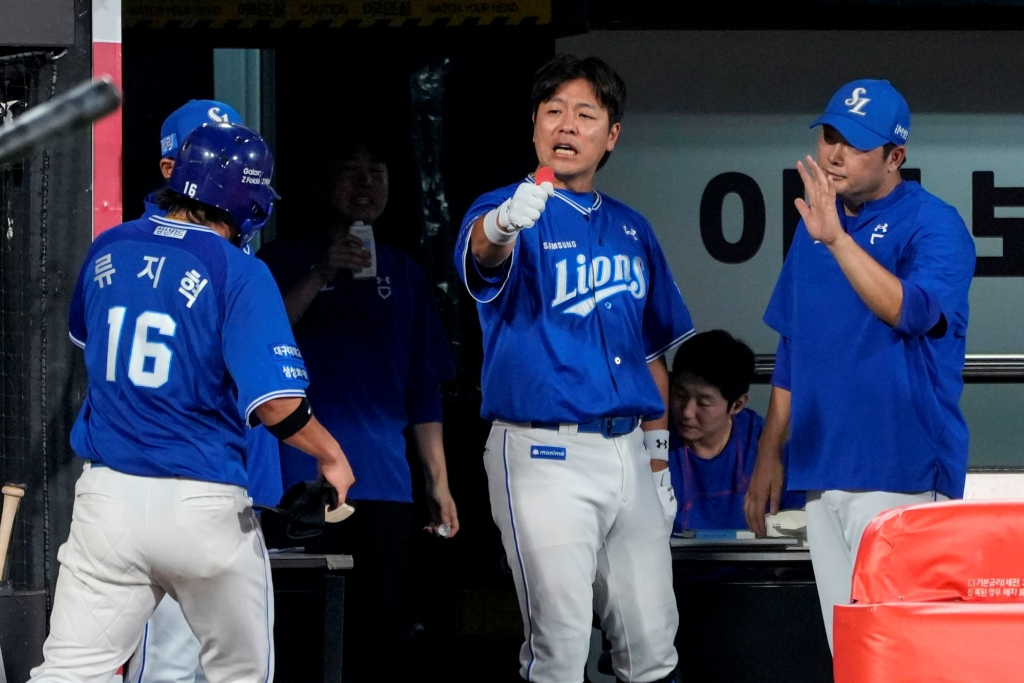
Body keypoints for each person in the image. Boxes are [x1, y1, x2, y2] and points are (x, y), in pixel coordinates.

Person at [30, 122, 355, 683]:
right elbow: (277, 404)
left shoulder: (109, 246)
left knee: (68, 672)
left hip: (107, 499)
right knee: (238, 676)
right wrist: (330, 456)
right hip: (201, 505)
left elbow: (88, 339)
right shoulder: (238, 269)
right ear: (243, 198)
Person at [454, 54, 694, 683]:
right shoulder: (507, 206)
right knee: (559, 645)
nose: (567, 125)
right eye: (553, 111)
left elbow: (651, 353)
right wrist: (503, 225)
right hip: (542, 453)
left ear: (610, 135)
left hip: (630, 453)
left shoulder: (632, 228)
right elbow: (482, 253)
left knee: (652, 642)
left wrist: (660, 456)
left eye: (585, 114)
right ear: (534, 125)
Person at [744, 79, 976, 651]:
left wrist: (840, 241)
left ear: (896, 156)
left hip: (901, 471)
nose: (834, 153)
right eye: (829, 136)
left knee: (906, 654)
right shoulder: (814, 227)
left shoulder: (934, 223)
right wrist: (771, 451)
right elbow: (795, 343)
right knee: (851, 654)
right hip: (823, 472)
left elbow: (911, 311)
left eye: (855, 142)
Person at [257, 138, 458, 681]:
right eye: (350, 170)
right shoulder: (279, 261)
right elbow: (258, 342)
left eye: (378, 171)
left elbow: (422, 389)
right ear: (321, 186)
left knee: (376, 634)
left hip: (385, 483)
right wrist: (323, 271)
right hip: (297, 480)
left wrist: (438, 482)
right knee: (298, 631)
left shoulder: (408, 275)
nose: (366, 183)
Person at [126, 99, 284, 683]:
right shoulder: (141, 248)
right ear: (173, 168)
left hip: (231, 486)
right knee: (169, 664)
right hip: (167, 485)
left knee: (237, 666)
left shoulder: (232, 249)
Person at [668, 330, 804, 533]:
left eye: (703, 403)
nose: (687, 412)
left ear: (737, 405)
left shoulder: (766, 449)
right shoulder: (655, 443)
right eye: (680, 394)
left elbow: (799, 525)